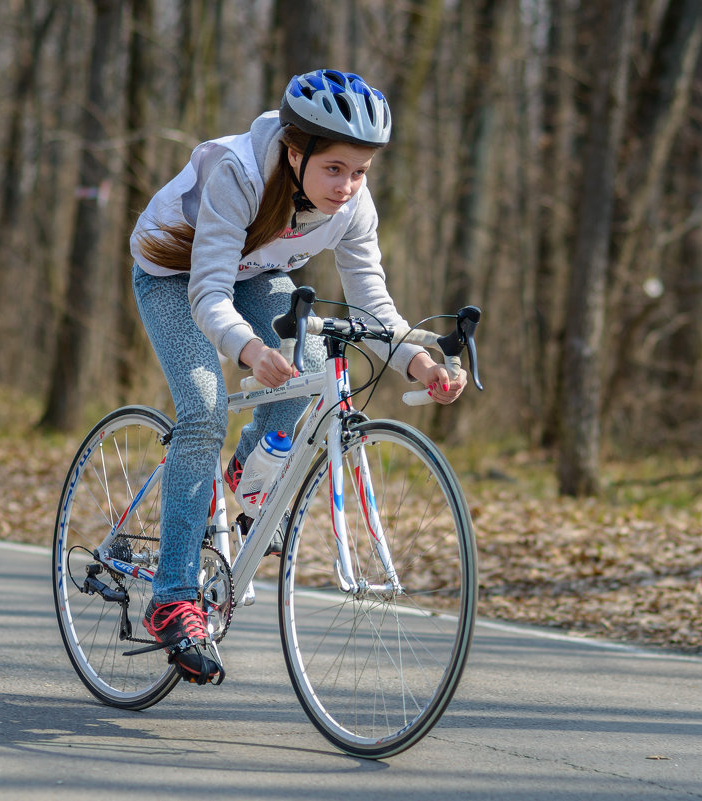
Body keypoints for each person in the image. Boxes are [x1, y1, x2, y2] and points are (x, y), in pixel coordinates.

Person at [129, 69, 467, 684]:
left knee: (310, 368)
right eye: (334, 168)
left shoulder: (353, 205)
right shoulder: (239, 174)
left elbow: (372, 304)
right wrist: (250, 351)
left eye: (360, 171)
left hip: (253, 273)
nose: (348, 185)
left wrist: (415, 360)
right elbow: (208, 291)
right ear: (294, 151)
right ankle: (172, 598)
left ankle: (249, 468)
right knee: (204, 408)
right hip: (176, 275)